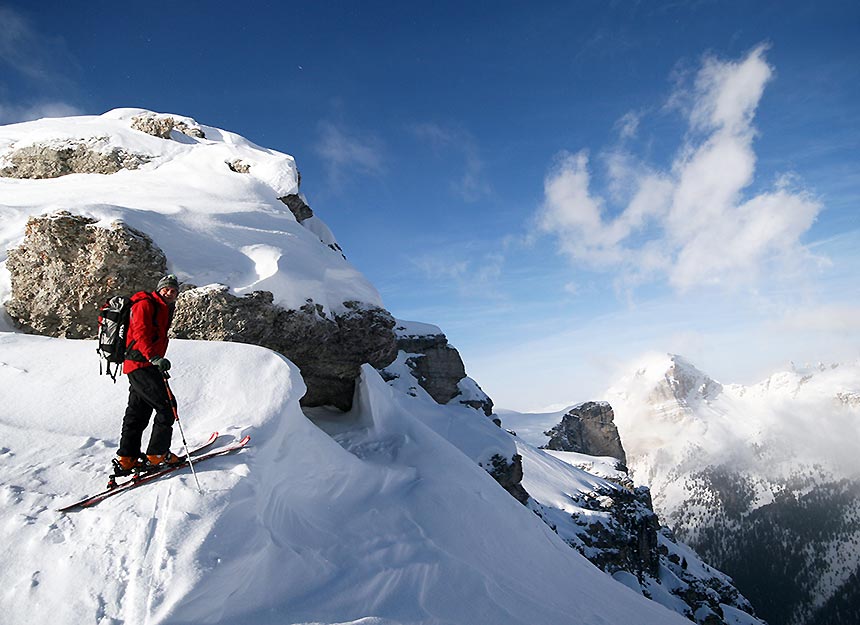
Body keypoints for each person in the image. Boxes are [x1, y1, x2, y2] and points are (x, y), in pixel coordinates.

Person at [113, 274, 183, 474]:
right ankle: (158, 454)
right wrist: (154, 358)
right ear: (159, 289)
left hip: (141, 364)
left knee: (138, 412)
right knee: (167, 407)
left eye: (174, 290)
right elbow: (140, 333)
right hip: (142, 363)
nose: (170, 293)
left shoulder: (162, 307)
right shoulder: (145, 304)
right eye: (167, 289)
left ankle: (127, 457)